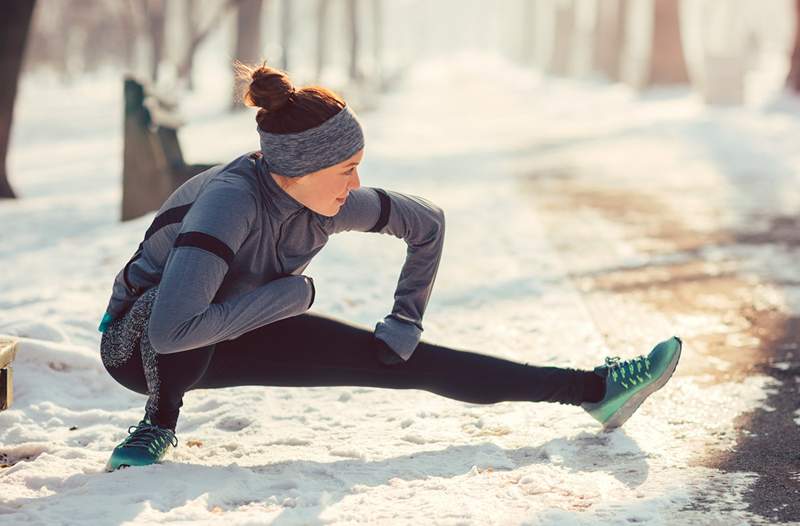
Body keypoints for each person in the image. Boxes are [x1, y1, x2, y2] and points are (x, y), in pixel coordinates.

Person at [97, 62, 682, 472]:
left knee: (404, 362)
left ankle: (593, 389)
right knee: (178, 308)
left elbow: (426, 222)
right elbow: (171, 328)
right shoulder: (230, 202)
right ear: (299, 168)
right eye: (346, 169)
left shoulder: (322, 200)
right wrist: (291, 297)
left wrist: (406, 319)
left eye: (359, 166)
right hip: (142, 347)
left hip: (234, 323)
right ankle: (158, 422)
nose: (355, 184)